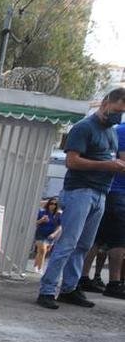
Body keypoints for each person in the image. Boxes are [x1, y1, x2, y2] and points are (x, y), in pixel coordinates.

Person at [36, 88, 125, 310]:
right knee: (68, 243)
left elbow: (109, 157)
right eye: (116, 110)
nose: (118, 115)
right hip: (80, 191)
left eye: (122, 112)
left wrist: (113, 166)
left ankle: (69, 288)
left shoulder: (111, 132)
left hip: (100, 193)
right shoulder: (84, 128)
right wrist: (107, 166)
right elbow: (72, 162)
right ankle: (47, 289)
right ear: (105, 103)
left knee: (84, 245)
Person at [100, 122, 125, 299]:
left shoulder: (116, 130)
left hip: (113, 192)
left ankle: (85, 278)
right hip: (118, 193)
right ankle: (114, 283)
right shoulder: (122, 132)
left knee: (99, 239)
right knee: (118, 240)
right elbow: (122, 163)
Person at [33, 198, 61, 273]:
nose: (53, 205)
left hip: (50, 236)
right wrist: (41, 220)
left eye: (55, 204)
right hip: (40, 234)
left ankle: (35, 265)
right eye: (51, 203)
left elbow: (59, 226)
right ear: (48, 204)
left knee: (41, 251)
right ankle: (40, 268)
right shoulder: (42, 212)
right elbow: (35, 222)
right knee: (43, 250)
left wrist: (54, 234)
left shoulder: (58, 215)